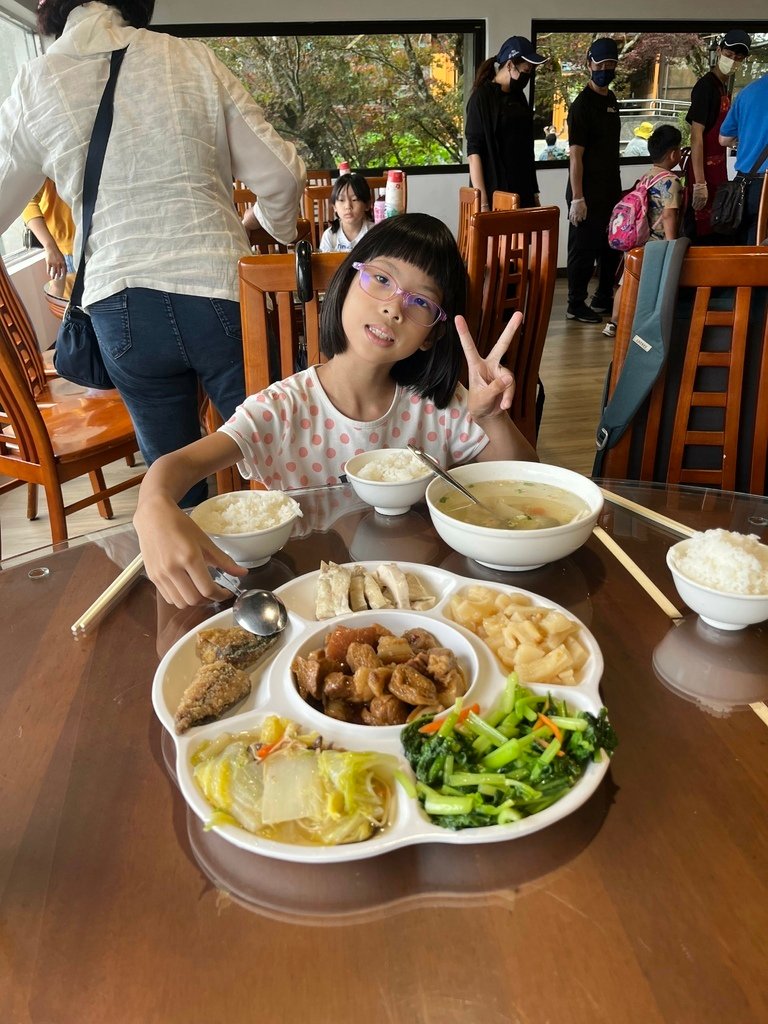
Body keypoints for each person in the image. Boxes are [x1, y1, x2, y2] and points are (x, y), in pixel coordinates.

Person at [134, 214, 539, 608]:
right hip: (306, 599)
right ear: (346, 283)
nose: (394, 308)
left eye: (420, 301)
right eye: (381, 279)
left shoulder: (440, 404)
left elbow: (521, 486)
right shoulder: (284, 408)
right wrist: (153, 502)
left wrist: (491, 417)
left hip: (421, 598)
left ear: (432, 335)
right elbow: (179, 466)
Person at [0, 1, 305, 508]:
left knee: (176, 482)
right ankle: (290, 574)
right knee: (270, 460)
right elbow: (282, 177)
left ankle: (201, 580)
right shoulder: (189, 59)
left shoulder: (37, 82)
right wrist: (274, 231)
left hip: (120, 309)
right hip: (220, 288)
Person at [602, 125, 683, 338]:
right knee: (654, 285)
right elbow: (668, 214)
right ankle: (647, 324)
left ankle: (614, 322)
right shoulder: (671, 181)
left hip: (636, 238)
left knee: (626, 281)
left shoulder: (646, 176)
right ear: (674, 153)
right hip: (656, 243)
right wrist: (672, 245)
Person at [565, 37, 624, 325]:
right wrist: (578, 198)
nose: (605, 69)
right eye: (600, 64)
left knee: (610, 246)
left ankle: (603, 297)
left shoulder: (611, 100)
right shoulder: (581, 106)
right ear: (589, 64)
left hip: (610, 188)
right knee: (583, 250)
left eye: (610, 64)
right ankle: (576, 303)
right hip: (585, 192)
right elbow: (575, 156)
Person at [465, 35, 549, 211]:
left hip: (523, 190)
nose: (528, 76)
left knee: (526, 238)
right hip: (495, 191)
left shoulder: (520, 97)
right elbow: (474, 153)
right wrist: (483, 202)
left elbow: (527, 148)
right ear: (510, 65)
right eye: (526, 71)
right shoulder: (481, 98)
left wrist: (534, 192)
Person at [686, 30, 751, 242]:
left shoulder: (722, 86)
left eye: (739, 58)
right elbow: (696, 136)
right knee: (703, 232)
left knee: (718, 226)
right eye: (730, 55)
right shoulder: (705, 87)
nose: (733, 61)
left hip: (718, 169)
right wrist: (699, 183)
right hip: (703, 171)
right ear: (720, 51)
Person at [719, 69, 768, 245]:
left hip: (744, 184)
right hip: (766, 186)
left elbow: (724, 139)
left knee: (747, 248)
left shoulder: (747, 92)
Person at [22, 178, 75, 280]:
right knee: (62, 293)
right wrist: (50, 246)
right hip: (66, 250)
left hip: (99, 242)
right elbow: (27, 203)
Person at [318, 173, 373, 253]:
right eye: (341, 200)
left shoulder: (374, 233)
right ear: (334, 207)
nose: (348, 206)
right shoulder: (330, 236)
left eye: (355, 199)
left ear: (367, 205)